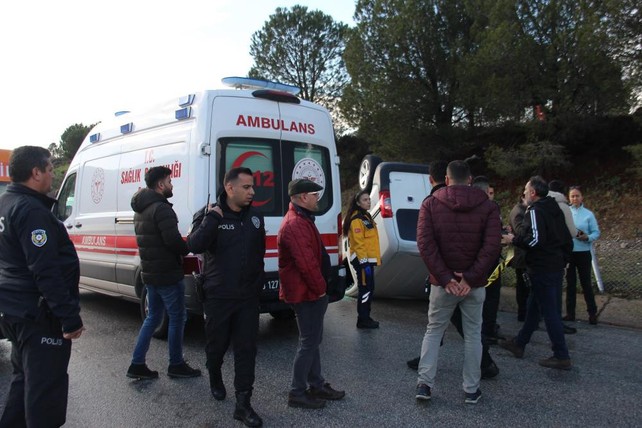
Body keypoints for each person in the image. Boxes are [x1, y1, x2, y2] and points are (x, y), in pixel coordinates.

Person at [0, 146, 84, 427]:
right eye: (49, 169)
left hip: (16, 310)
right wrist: (68, 316)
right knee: (45, 396)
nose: (51, 175)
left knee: (24, 382)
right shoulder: (31, 211)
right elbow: (45, 270)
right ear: (35, 173)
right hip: (38, 315)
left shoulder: (6, 202)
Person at [415, 160, 502, 404]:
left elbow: (425, 244)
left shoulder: (430, 204)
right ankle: (471, 389)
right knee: (474, 334)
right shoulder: (488, 206)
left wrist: (445, 278)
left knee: (433, 331)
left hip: (442, 284)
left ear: (447, 178)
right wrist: (471, 278)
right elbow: (492, 246)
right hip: (473, 285)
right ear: (470, 179)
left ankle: (424, 384)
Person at [187, 167, 265, 427]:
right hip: (219, 297)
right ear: (229, 188)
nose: (252, 192)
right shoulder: (210, 215)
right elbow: (194, 245)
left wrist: (257, 285)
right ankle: (215, 375)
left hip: (247, 298)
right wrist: (212, 219)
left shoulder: (255, 217)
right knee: (217, 345)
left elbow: (259, 253)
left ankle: (243, 404)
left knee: (247, 349)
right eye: (246, 187)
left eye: (252, 187)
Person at [127, 166, 200, 380]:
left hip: (150, 274)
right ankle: (176, 364)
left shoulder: (141, 209)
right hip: (167, 274)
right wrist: (189, 245)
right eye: (169, 181)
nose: (171, 185)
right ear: (160, 184)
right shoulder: (162, 209)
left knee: (152, 318)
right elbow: (173, 242)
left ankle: (137, 363)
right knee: (178, 317)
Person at [278, 179, 346, 409]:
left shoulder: (303, 219)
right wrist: (320, 290)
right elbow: (306, 264)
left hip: (309, 291)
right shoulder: (295, 224)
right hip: (306, 293)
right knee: (308, 342)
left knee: (313, 339)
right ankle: (297, 392)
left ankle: (316, 384)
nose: (318, 198)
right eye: (314, 194)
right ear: (303, 197)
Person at [500, 176, 573, 370]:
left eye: (525, 189)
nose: (523, 192)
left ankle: (561, 354)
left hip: (542, 268)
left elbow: (535, 241)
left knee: (550, 312)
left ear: (533, 193)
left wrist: (512, 240)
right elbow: (566, 237)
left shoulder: (534, 210)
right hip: (554, 265)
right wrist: (563, 259)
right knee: (534, 307)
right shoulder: (554, 208)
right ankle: (519, 343)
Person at [472, 175, 505, 344]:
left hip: (473, 262)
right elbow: (493, 237)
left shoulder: (468, 207)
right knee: (490, 297)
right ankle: (487, 330)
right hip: (488, 260)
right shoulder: (491, 208)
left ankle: (483, 329)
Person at [343, 190, 381, 329]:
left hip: (367, 260)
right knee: (365, 289)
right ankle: (363, 319)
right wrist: (364, 263)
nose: (368, 202)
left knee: (369, 288)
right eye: (365, 200)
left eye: (369, 199)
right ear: (358, 203)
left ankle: (365, 317)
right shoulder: (357, 219)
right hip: (362, 260)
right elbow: (358, 243)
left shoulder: (366, 216)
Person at [565, 185, 600, 325]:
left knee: (586, 284)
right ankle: (570, 313)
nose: (574, 198)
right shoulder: (565, 212)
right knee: (570, 284)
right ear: (569, 198)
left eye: (577, 195)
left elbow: (596, 232)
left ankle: (592, 313)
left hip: (583, 253)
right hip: (569, 253)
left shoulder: (588, 214)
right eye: (572, 196)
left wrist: (587, 237)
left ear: (582, 197)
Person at [548, 179, 579, 334]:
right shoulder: (563, 206)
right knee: (557, 289)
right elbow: (572, 231)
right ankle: (557, 323)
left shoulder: (540, 204)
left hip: (542, 253)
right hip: (558, 253)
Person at [508, 195, 529, 321]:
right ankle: (523, 313)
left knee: (525, 286)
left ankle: (525, 313)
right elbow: (520, 232)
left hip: (524, 254)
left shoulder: (524, 211)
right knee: (523, 287)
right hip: (521, 255)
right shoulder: (519, 211)